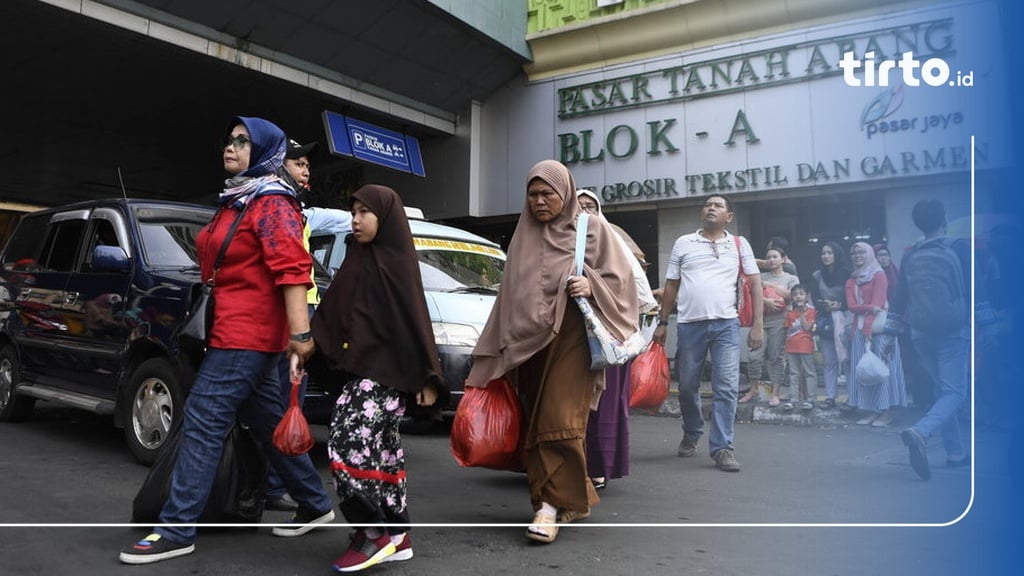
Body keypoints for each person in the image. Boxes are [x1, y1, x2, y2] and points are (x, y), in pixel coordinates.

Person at [119, 116, 334, 565]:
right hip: (234, 330)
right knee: (266, 422)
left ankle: (177, 529)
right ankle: (314, 504)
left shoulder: (271, 201)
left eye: (243, 141)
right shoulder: (239, 198)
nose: (231, 147)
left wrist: (300, 336)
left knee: (202, 420)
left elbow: (294, 271)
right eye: (229, 139)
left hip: (249, 333)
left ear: (266, 151)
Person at [465, 160, 638, 544]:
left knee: (557, 420)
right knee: (537, 423)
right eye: (533, 194)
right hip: (528, 348)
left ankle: (547, 508)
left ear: (568, 193)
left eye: (549, 193)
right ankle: (573, 498)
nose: (540, 201)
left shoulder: (591, 229)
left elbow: (622, 281)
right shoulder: (523, 235)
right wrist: (493, 351)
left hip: (572, 341)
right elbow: (508, 296)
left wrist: (590, 285)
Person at [310, 184, 444, 570]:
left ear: (384, 218)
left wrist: (428, 377)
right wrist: (308, 347)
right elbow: (335, 314)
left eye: (365, 212)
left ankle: (374, 533)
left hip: (387, 376)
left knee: (346, 441)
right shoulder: (359, 258)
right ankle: (398, 535)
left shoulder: (397, 262)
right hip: (363, 372)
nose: (356, 219)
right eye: (353, 211)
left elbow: (415, 322)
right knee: (382, 452)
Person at [653, 193, 764, 473]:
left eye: (717, 206)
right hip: (690, 325)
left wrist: (758, 325)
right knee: (688, 386)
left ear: (729, 217)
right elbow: (671, 286)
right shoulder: (683, 243)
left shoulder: (739, 244)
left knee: (725, 387)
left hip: (727, 325)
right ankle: (692, 431)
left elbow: (756, 284)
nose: (710, 208)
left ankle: (723, 448)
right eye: (707, 205)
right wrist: (663, 321)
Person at [576, 189, 658, 492]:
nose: (585, 212)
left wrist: (594, 288)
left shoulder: (615, 244)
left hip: (608, 338)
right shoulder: (560, 241)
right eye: (579, 206)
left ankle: (597, 467)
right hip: (571, 340)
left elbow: (635, 292)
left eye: (591, 207)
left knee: (603, 407)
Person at [888, 199, 970, 480]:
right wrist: (989, 328)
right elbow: (975, 290)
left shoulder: (911, 255)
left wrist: (890, 332)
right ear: (944, 218)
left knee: (942, 390)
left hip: (920, 332)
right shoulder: (959, 247)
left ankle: (956, 452)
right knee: (956, 393)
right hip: (952, 330)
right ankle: (920, 432)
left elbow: (899, 298)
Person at [264, 137, 321, 512]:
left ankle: (275, 484)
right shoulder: (274, 206)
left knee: (290, 400)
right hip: (288, 319)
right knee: (282, 402)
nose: (305, 171)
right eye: (298, 163)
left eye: (306, 166)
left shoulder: (294, 208)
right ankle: (274, 487)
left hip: (304, 312)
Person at [844, 241, 905, 427]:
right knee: (864, 371)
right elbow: (852, 307)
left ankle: (886, 412)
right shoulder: (851, 281)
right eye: (854, 253)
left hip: (878, 330)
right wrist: (869, 308)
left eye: (862, 252)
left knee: (882, 370)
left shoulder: (879, 275)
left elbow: (879, 305)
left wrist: (868, 325)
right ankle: (870, 410)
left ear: (869, 254)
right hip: (859, 331)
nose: (857, 256)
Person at [808, 241, 851, 409]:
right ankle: (830, 397)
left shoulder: (848, 274)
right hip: (826, 322)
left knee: (847, 360)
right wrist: (825, 305)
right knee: (830, 361)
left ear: (837, 255)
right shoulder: (817, 275)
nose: (825, 256)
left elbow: (852, 296)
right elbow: (815, 298)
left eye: (829, 253)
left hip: (845, 320)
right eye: (823, 253)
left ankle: (852, 398)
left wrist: (840, 305)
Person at [758, 246, 799, 407]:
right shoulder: (760, 276)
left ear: (783, 259)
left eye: (775, 256)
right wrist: (765, 301)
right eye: (769, 257)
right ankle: (754, 389)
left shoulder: (791, 278)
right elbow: (752, 293)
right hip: (761, 319)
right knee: (756, 357)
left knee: (776, 356)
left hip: (780, 320)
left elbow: (792, 295)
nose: (771, 259)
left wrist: (770, 285)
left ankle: (776, 393)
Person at [783, 285, 817, 411]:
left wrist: (802, 314)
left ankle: (811, 398)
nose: (798, 296)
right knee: (793, 373)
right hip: (792, 346)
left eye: (801, 293)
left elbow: (807, 328)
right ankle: (793, 399)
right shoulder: (790, 313)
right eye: (795, 294)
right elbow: (787, 330)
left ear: (806, 296)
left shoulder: (811, 311)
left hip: (805, 345)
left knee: (809, 372)